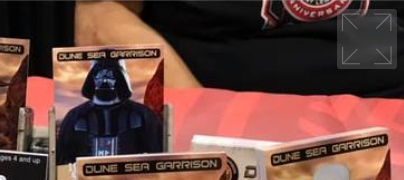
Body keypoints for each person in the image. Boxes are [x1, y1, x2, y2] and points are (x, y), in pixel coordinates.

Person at [75, 1, 404, 97]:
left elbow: (368, 23)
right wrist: (202, 122)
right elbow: (101, 15)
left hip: (379, 111)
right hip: (208, 100)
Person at [56, 54, 163, 166]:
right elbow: (61, 163)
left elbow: (158, 158)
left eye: (111, 74)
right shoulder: (74, 118)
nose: (105, 78)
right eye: (100, 74)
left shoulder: (143, 116)